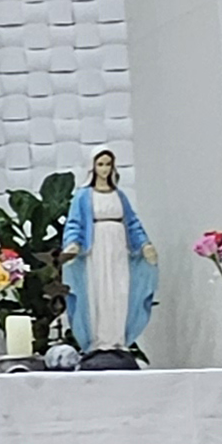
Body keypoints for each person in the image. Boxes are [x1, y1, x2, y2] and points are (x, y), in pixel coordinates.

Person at [60, 149, 156, 363]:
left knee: (120, 290)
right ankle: (98, 341)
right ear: (92, 167)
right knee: (99, 291)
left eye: (108, 164)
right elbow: (74, 222)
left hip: (119, 248)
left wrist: (145, 244)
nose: (104, 169)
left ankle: (117, 340)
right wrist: (73, 243)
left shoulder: (119, 195)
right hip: (95, 249)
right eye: (100, 164)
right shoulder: (84, 195)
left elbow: (132, 222)